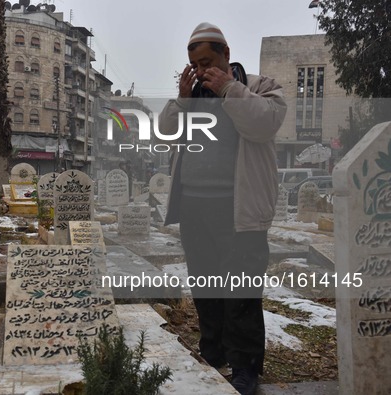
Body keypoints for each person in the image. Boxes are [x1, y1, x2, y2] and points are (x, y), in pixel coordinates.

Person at [158, 23, 287, 395]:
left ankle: (245, 366)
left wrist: (229, 88)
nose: (201, 70)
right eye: (195, 64)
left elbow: (263, 124)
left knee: (241, 290)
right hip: (195, 207)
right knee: (206, 285)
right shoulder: (192, 95)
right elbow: (165, 135)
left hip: (239, 210)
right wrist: (182, 100)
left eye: (208, 61)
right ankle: (213, 353)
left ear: (226, 55)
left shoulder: (260, 86)